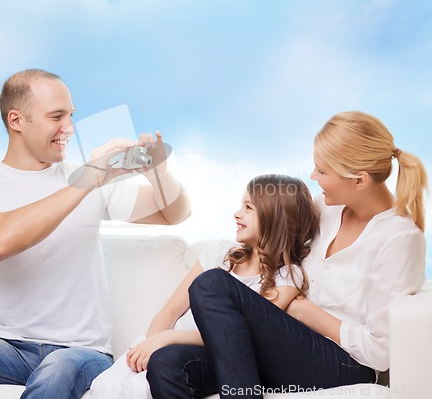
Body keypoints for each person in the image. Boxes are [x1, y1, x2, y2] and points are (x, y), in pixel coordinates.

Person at [0, 69, 191, 399]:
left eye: (71, 116)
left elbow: (175, 213)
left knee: (58, 370)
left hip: (82, 354)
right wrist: (87, 180)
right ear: (17, 120)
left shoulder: (91, 181)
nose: (69, 128)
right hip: (7, 348)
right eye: (57, 116)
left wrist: (160, 173)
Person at [147, 111, 427, 399]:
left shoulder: (399, 239)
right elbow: (275, 227)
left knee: (211, 285)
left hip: (343, 363)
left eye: (322, 171)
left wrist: (305, 312)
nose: (313, 176)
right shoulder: (326, 208)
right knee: (166, 364)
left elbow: (379, 352)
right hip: (286, 343)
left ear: (359, 180)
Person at [88, 174, 320, 399]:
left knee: (155, 375)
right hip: (166, 343)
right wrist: (152, 343)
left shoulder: (288, 277)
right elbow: (170, 310)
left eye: (249, 208)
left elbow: (238, 336)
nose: (237, 214)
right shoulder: (221, 254)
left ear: (275, 217)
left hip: (211, 356)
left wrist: (168, 339)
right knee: (115, 384)